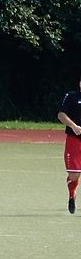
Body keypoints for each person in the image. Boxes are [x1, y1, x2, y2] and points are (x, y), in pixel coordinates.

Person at [57, 78, 81, 213]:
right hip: (74, 140)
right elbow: (61, 115)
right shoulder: (71, 97)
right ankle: (72, 195)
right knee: (74, 175)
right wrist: (74, 126)